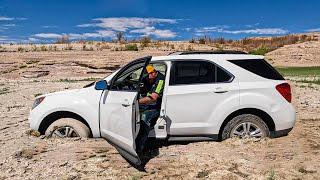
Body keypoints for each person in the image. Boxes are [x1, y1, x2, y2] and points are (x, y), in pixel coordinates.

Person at [136, 64, 165, 153]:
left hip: (156, 106)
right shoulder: (149, 78)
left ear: (153, 73)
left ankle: (139, 147)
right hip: (148, 103)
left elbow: (154, 97)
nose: (147, 78)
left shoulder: (160, 80)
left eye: (149, 75)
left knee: (144, 118)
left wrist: (136, 102)